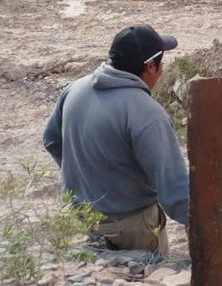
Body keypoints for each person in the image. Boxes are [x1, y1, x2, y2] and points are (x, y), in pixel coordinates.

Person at [43, 24, 188, 256]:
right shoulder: (147, 114)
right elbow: (173, 187)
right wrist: (202, 226)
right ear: (151, 66)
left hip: (83, 218)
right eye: (161, 64)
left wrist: (87, 179)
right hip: (133, 226)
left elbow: (51, 140)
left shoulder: (74, 90)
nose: (162, 71)